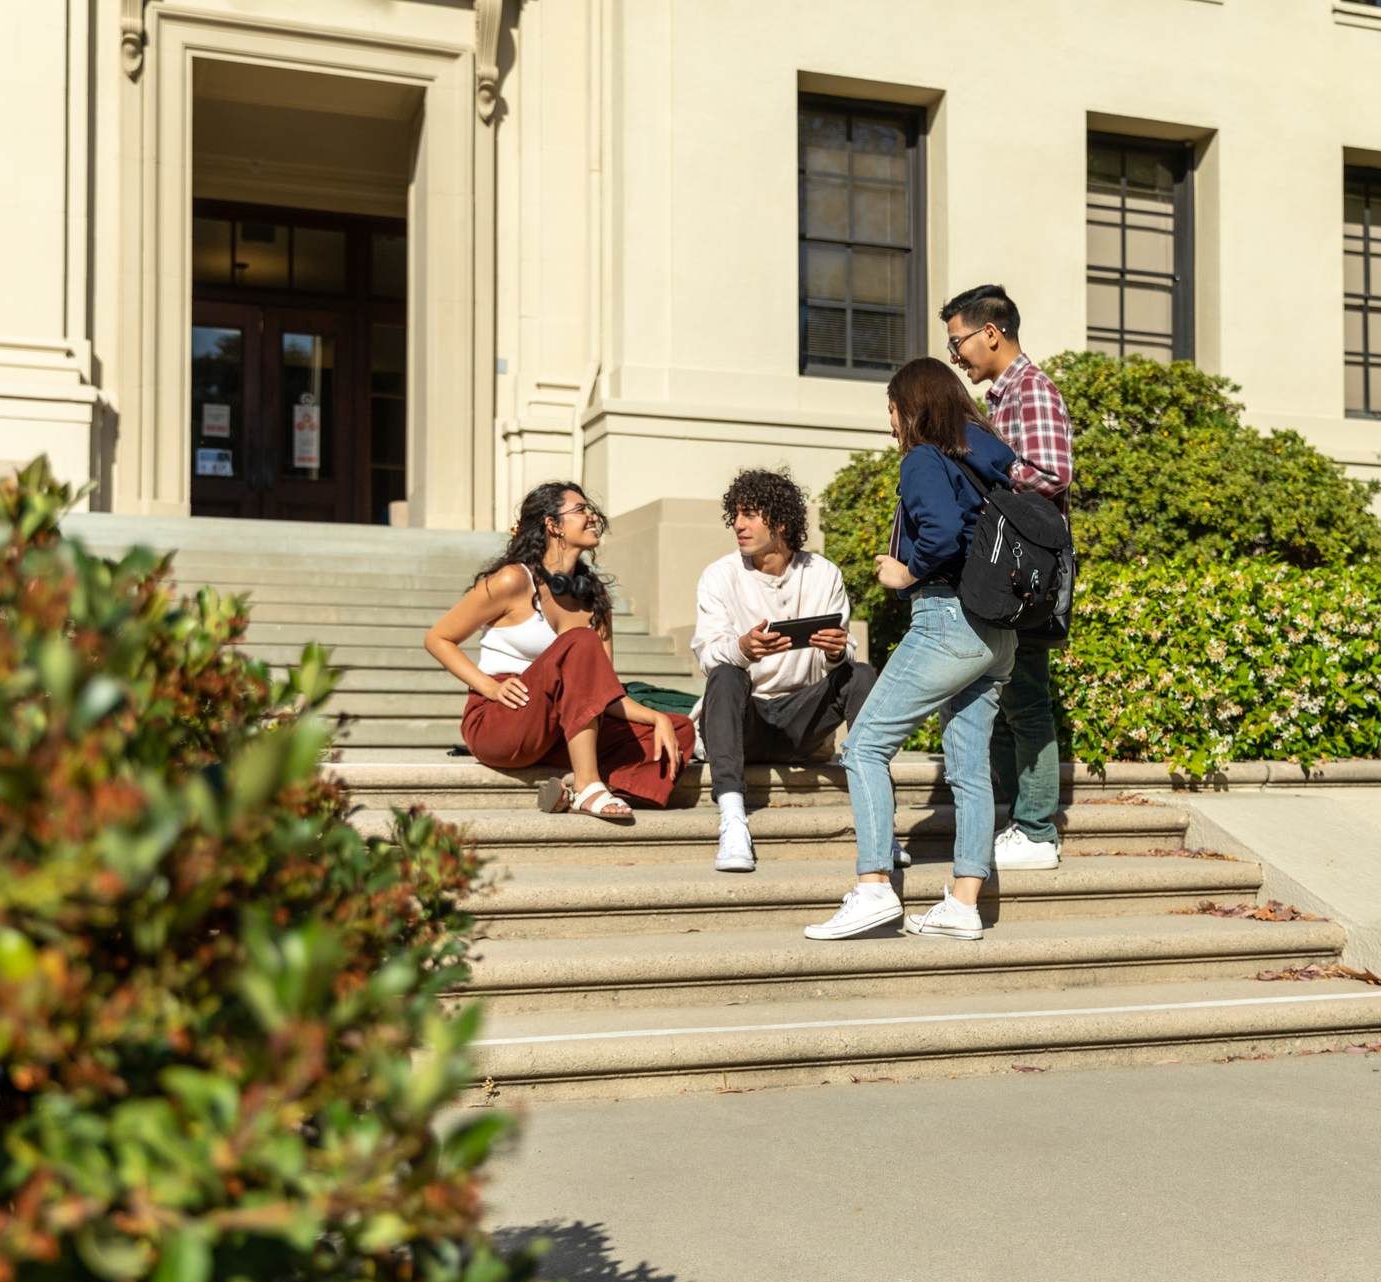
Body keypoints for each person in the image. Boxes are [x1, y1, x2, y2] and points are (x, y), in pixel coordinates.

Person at [805, 358, 1019, 943]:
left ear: (912, 408)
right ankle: (963, 904)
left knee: (865, 745)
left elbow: (942, 536)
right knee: (971, 771)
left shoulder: (925, 459)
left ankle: (874, 888)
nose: (891, 426)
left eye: (893, 411)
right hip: (997, 634)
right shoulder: (988, 463)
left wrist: (906, 572)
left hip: (948, 619)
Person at [425, 482, 694, 819]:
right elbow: (438, 638)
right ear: (552, 525)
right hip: (503, 720)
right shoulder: (512, 580)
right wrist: (489, 687)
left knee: (678, 728)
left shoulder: (593, 600)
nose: (593, 516)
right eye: (581, 510)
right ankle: (588, 784)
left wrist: (655, 718)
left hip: (557, 731)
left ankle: (572, 785)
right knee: (580, 641)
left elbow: (603, 694)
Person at [941, 283, 1073, 873]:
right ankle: (1012, 818)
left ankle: (1038, 831)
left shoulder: (1031, 391)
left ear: (990, 332)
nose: (957, 356)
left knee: (1024, 698)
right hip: (1007, 570)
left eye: (958, 342)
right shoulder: (1001, 398)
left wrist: (985, 459)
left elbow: (1050, 474)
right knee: (996, 694)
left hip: (1028, 574)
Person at [692, 468, 877, 873]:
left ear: (780, 522)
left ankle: (876, 819)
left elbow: (843, 650)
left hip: (801, 720)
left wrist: (833, 652)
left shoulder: (822, 573)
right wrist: (742, 648)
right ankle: (733, 820)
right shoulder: (720, 576)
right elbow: (706, 651)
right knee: (725, 671)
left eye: (751, 514)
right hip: (747, 720)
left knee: (860, 672)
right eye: (736, 515)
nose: (739, 525)